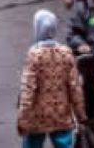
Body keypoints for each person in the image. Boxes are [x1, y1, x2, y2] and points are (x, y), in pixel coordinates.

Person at [17, 9, 86, 148]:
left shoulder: (34, 55)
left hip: (37, 118)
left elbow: (28, 90)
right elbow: (75, 87)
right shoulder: (66, 53)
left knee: (32, 144)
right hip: (61, 114)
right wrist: (81, 115)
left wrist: (23, 118)